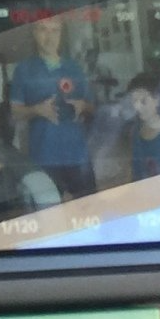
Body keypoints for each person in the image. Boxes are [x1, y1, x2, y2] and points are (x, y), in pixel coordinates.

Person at [10, 15, 96, 199]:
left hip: (77, 154)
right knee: (49, 213)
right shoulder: (23, 70)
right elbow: (15, 112)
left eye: (54, 30)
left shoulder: (74, 68)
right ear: (34, 33)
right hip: (43, 155)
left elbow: (93, 108)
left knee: (89, 210)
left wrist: (83, 105)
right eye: (43, 29)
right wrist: (36, 110)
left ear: (61, 33)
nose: (49, 36)